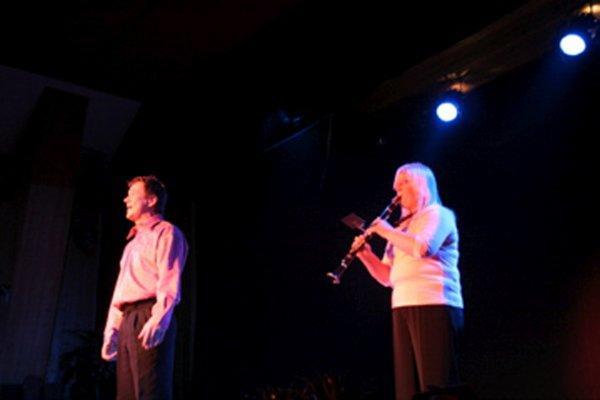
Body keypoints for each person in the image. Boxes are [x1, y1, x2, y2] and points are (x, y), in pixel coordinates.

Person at [354, 162, 463, 400]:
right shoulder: (400, 228)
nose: (397, 192)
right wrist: (365, 255)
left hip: (434, 303)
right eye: (395, 187)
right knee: (407, 388)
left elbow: (423, 248)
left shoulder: (439, 214)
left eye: (404, 183)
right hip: (401, 306)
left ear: (422, 185)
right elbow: (387, 277)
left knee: (436, 386)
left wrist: (385, 231)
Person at [101, 175, 189, 400]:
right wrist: (111, 329)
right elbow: (121, 290)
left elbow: (169, 280)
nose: (125, 199)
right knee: (126, 395)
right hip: (127, 318)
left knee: (150, 392)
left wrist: (159, 319)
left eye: (132, 194)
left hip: (148, 315)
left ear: (151, 200)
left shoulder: (166, 232)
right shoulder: (131, 245)